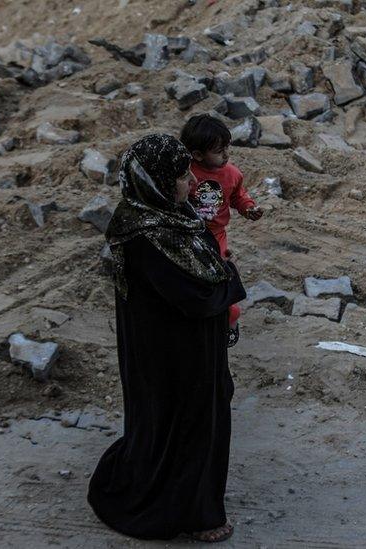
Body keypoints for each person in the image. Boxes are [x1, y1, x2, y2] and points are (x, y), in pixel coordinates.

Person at [87, 134, 246, 543]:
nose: (192, 184)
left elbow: (209, 269)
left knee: (190, 424)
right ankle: (193, 514)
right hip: (171, 357)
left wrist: (220, 277)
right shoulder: (147, 234)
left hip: (187, 349)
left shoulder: (170, 215)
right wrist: (228, 279)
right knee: (186, 427)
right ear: (155, 181)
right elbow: (198, 295)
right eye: (181, 177)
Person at [180, 114, 263, 346]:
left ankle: (230, 320)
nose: (226, 154)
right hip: (188, 234)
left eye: (227, 147)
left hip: (216, 236)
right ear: (197, 155)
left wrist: (248, 208)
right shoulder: (185, 173)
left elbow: (238, 196)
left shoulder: (232, 174)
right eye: (219, 151)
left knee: (219, 279)